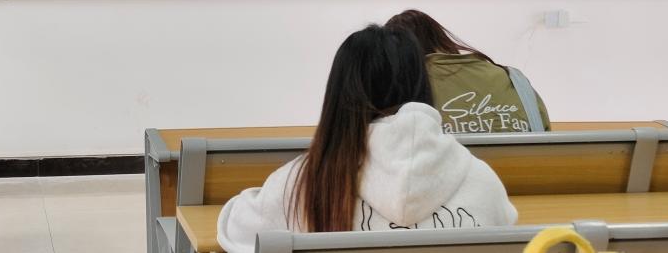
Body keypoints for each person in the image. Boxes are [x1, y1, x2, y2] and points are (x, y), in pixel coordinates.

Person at [216, 25, 516, 253]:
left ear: (339, 97)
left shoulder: (299, 184)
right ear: (422, 86)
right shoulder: (481, 180)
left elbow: (236, 232)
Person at [384, 9, 550, 134]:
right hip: (530, 168)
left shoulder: (404, 88)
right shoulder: (514, 79)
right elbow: (544, 133)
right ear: (441, 38)